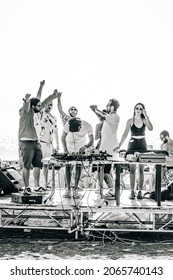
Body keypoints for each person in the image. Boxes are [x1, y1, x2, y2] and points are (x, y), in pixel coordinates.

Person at [18, 84, 60, 194]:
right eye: (38, 106)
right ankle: (27, 187)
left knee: (37, 164)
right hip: (26, 141)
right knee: (26, 165)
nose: (41, 107)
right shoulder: (25, 112)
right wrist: (27, 100)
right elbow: (27, 105)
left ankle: (36, 186)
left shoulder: (39, 113)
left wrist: (53, 96)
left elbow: (44, 102)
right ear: (32, 106)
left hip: (36, 142)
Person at [118, 102, 153, 199]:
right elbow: (125, 134)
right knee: (132, 169)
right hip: (132, 144)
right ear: (134, 109)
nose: (138, 110)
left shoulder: (144, 120)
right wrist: (119, 145)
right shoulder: (130, 121)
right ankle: (132, 191)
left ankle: (140, 191)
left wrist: (146, 116)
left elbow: (151, 128)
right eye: (137, 108)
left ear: (143, 110)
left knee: (141, 169)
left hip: (142, 144)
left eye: (141, 109)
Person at [91, 99, 120, 199]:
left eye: (108, 105)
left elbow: (103, 115)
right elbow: (101, 117)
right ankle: (102, 190)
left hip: (109, 149)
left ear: (112, 107)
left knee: (106, 171)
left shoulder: (114, 117)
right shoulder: (108, 119)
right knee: (100, 170)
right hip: (104, 148)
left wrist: (96, 109)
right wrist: (95, 111)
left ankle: (113, 190)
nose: (107, 107)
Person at [61, 117, 94, 199]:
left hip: (81, 146)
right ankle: (68, 189)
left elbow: (92, 141)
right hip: (70, 146)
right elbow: (62, 138)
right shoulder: (67, 124)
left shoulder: (87, 125)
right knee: (68, 167)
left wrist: (85, 147)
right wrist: (65, 150)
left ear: (80, 127)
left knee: (79, 167)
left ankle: (75, 189)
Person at [38, 102, 59, 189]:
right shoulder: (40, 114)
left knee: (47, 164)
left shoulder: (53, 118)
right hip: (41, 142)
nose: (49, 106)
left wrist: (57, 144)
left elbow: (55, 131)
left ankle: (46, 183)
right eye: (48, 104)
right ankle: (38, 184)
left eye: (51, 105)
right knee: (40, 164)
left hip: (49, 143)